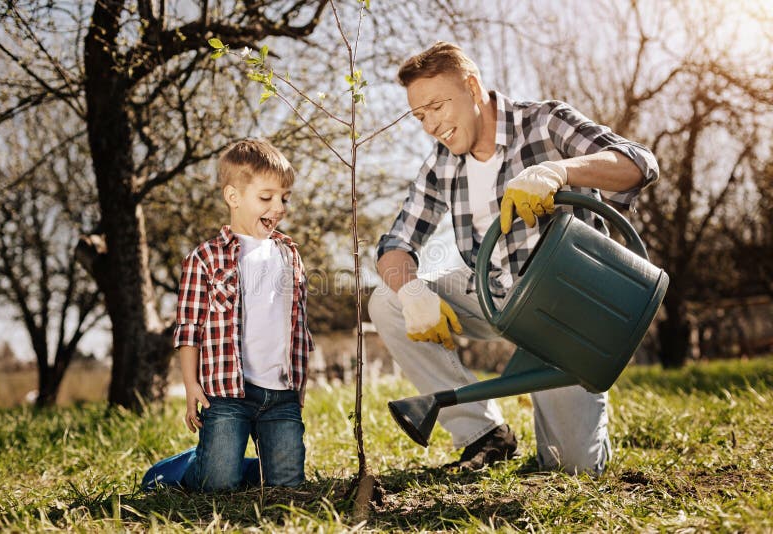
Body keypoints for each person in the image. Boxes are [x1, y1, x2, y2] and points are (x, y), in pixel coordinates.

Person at [369, 42, 659, 476]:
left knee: (572, 467)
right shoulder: (441, 165)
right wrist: (411, 291)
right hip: (493, 296)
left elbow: (638, 163)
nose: (430, 125)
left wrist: (560, 171)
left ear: (471, 86)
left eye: (435, 107)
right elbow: (396, 242)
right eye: (419, 116)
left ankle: (567, 441)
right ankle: (484, 435)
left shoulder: (543, 122)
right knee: (386, 302)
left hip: (565, 312)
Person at [143, 138, 313, 491]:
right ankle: (181, 469)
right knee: (217, 484)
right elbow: (189, 328)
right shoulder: (204, 259)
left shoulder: (290, 256)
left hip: (279, 395)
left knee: (288, 486)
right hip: (227, 394)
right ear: (233, 197)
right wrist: (191, 384)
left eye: (284, 197)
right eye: (266, 198)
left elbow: (299, 329)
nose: (278, 207)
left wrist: (300, 384)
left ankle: (236, 460)